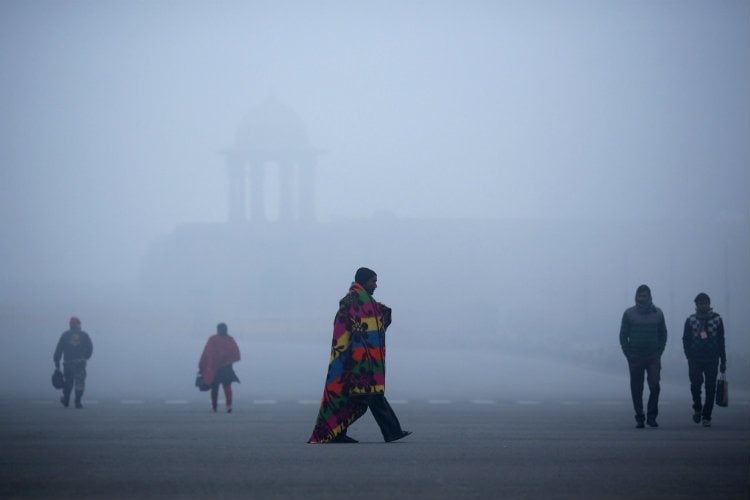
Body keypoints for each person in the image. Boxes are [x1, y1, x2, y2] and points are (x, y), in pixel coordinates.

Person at [308, 267, 411, 444]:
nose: (376, 285)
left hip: (363, 360)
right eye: (373, 281)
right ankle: (392, 432)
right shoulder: (352, 301)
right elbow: (343, 328)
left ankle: (337, 434)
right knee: (369, 396)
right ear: (363, 281)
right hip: (355, 360)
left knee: (349, 398)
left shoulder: (363, 301)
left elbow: (374, 316)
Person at [619, 285, 667, 428]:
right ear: (636, 297)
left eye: (644, 296)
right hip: (635, 357)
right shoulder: (629, 314)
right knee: (636, 388)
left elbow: (663, 333)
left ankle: (652, 417)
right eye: (640, 296)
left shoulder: (658, 313)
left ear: (650, 296)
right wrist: (628, 353)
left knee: (655, 386)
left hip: (653, 356)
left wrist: (659, 351)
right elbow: (623, 335)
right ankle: (639, 416)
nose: (642, 298)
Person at [682, 292, 726, 427]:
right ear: (696, 305)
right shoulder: (691, 320)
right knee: (695, 384)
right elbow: (686, 339)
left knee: (710, 388)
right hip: (695, 358)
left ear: (709, 304)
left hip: (712, 358)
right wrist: (688, 355)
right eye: (700, 303)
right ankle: (697, 407)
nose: (703, 305)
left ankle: (707, 416)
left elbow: (721, 340)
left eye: (705, 303)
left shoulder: (717, 320)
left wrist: (723, 360)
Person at [199, 323, 241, 412]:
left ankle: (215, 407)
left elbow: (206, 353)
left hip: (216, 367)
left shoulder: (213, 339)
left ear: (217, 330)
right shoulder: (229, 340)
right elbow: (236, 354)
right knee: (226, 386)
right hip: (225, 367)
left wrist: (202, 365)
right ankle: (228, 406)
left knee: (215, 387)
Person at [53, 316, 93, 409]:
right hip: (80, 363)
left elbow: (59, 349)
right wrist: (85, 357)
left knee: (68, 382)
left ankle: (66, 400)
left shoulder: (65, 335)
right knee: (80, 382)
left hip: (68, 363)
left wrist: (56, 361)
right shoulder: (84, 335)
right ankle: (78, 402)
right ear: (79, 325)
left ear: (70, 325)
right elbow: (90, 347)